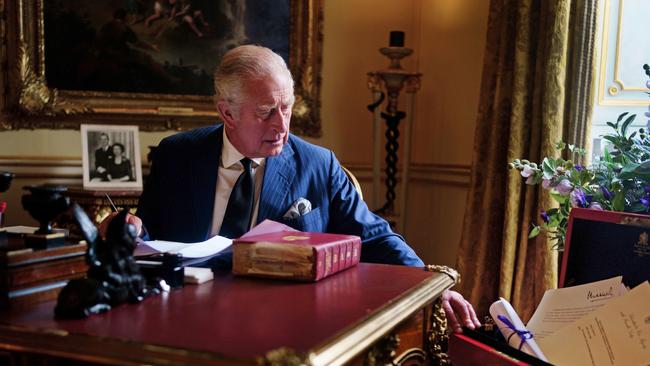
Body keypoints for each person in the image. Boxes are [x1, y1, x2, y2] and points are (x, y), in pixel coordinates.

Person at [103, 45, 480, 333]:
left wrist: (433, 289)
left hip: (283, 325)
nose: (281, 124)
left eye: (287, 106)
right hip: (185, 317)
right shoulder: (177, 155)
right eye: (266, 110)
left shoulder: (317, 164)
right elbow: (149, 236)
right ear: (227, 113)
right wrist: (127, 230)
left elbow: (376, 237)